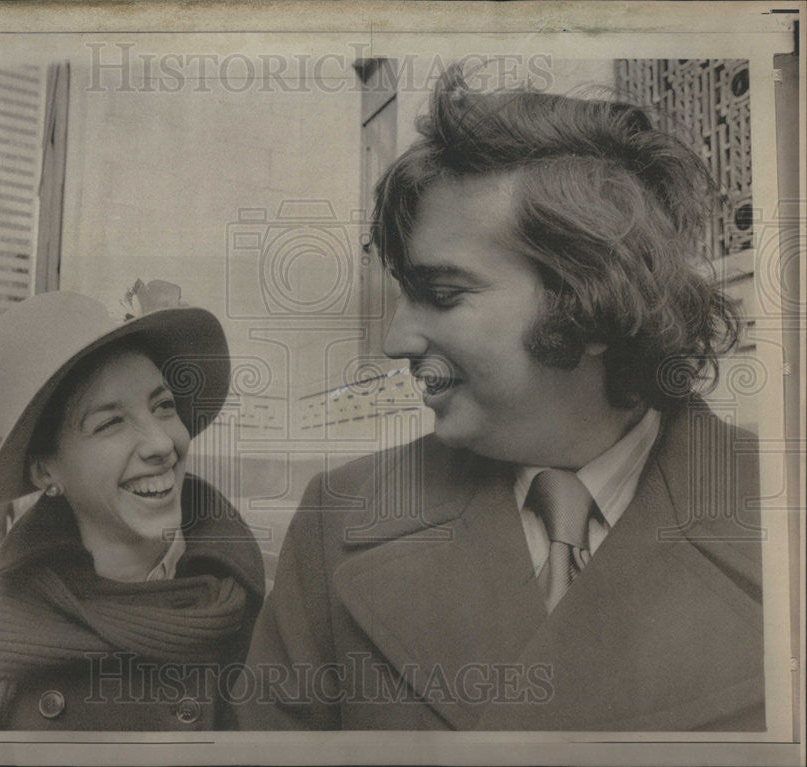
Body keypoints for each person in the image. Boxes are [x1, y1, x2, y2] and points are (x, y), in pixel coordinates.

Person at [238, 66, 763, 731]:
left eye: (444, 294)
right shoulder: (336, 521)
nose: (397, 339)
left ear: (596, 304)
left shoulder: (782, 515)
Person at [0, 283, 264, 731]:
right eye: (110, 423)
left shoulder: (251, 606)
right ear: (46, 471)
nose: (162, 443)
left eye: (163, 406)